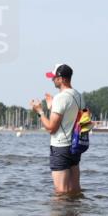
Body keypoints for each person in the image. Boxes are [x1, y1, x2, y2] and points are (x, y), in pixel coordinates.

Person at [30, 63, 82, 195]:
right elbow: (68, 118)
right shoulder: (78, 95)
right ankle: (75, 214)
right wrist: (52, 107)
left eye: (54, 77)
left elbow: (51, 128)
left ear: (62, 79)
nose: (52, 80)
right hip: (75, 147)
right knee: (74, 190)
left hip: (60, 147)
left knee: (61, 192)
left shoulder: (61, 97)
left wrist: (40, 111)